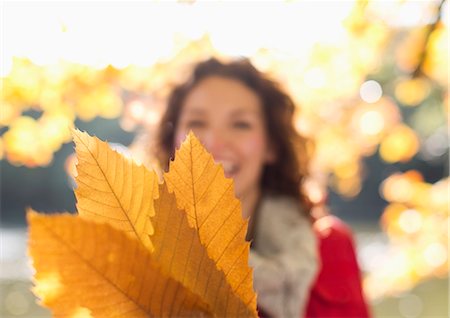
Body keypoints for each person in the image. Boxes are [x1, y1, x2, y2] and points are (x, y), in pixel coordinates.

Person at [152, 57, 369, 317]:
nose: (214, 142)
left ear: (271, 145)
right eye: (197, 123)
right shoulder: (137, 243)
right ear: (172, 140)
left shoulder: (329, 246)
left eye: (240, 124)